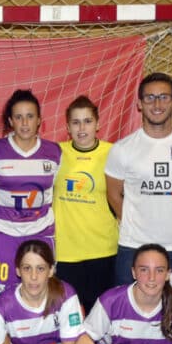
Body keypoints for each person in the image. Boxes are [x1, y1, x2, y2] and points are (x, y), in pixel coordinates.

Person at [105, 72, 172, 285]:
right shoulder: (122, 149)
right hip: (132, 246)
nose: (157, 103)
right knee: (128, 312)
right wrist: (136, 225)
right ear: (139, 104)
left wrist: (171, 220)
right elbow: (114, 195)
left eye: (164, 97)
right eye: (150, 97)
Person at [0, 89, 61, 294]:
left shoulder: (54, 152)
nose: (25, 123)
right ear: (11, 121)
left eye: (30, 116)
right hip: (4, 234)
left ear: (39, 120)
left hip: (41, 233)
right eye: (19, 117)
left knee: (42, 292)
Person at [53, 95, 118, 314]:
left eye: (88, 121)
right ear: (67, 127)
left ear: (98, 124)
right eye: (76, 122)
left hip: (103, 250)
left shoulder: (113, 153)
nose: (82, 128)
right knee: (68, 318)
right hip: (65, 253)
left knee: (101, 317)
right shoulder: (55, 153)